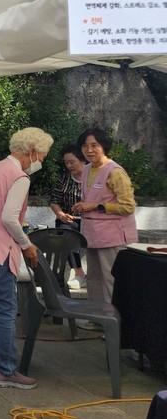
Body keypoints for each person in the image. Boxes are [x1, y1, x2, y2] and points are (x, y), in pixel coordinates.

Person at [0, 127, 52, 390]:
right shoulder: (19, 177)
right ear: (33, 151)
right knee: (5, 310)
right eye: (43, 155)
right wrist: (27, 244)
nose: (42, 160)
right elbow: (8, 217)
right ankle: (5, 369)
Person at [71, 127, 138, 307]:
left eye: (95, 145)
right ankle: (98, 319)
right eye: (85, 146)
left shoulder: (115, 172)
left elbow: (128, 206)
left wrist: (96, 206)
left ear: (104, 146)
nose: (89, 150)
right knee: (93, 279)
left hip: (112, 236)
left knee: (111, 280)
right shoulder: (85, 169)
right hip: (91, 234)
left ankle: (114, 324)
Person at [49, 143, 88, 289]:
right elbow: (54, 201)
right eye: (66, 162)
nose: (69, 165)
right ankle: (79, 273)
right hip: (69, 219)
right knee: (65, 232)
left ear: (83, 160)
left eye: (72, 162)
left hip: (91, 220)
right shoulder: (63, 178)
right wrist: (60, 214)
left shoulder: (93, 178)